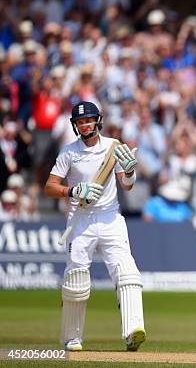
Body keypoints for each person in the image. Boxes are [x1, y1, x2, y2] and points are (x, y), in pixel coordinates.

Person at [43, 101, 146, 352]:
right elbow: (49, 186)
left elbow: (127, 185)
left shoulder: (113, 146)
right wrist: (73, 190)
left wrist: (131, 172)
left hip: (111, 218)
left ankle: (133, 331)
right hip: (81, 219)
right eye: (80, 122)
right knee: (76, 278)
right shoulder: (69, 152)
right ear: (75, 125)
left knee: (127, 272)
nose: (85, 125)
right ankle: (72, 337)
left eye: (88, 120)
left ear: (97, 120)